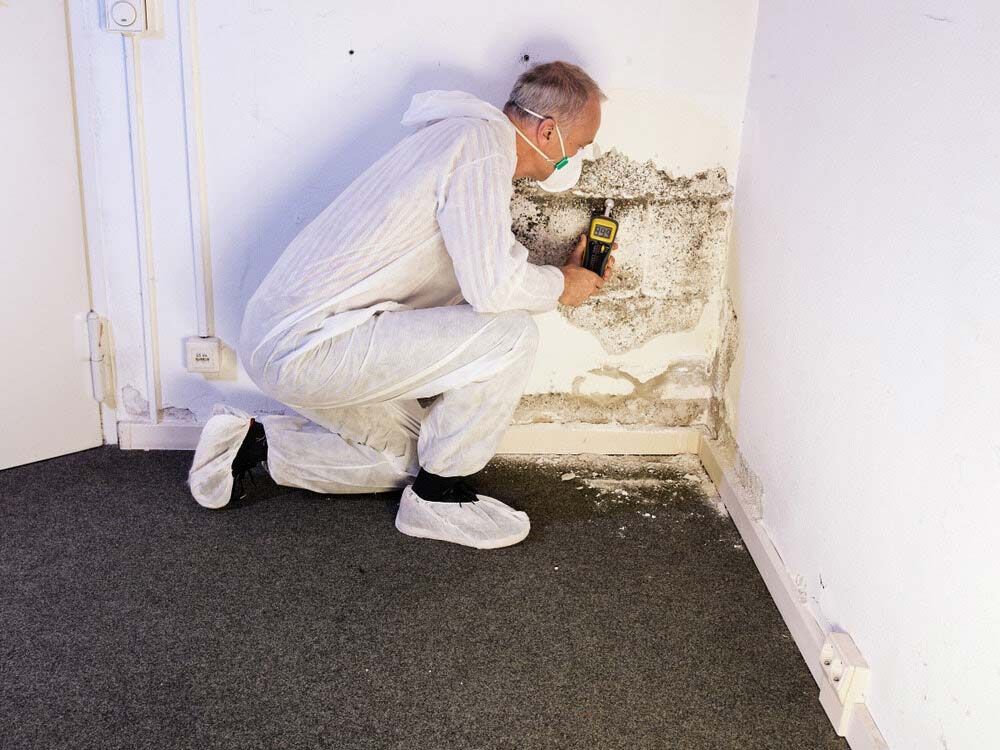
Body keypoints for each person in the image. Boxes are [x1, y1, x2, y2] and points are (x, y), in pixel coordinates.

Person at [187, 61, 617, 549]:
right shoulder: (480, 150)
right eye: (579, 146)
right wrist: (563, 285)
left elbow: (478, 268)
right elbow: (495, 291)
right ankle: (440, 499)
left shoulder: (460, 143)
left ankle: (248, 445)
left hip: (303, 339)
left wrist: (565, 273)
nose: (575, 159)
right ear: (547, 130)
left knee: (409, 458)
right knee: (514, 335)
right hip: (311, 347)